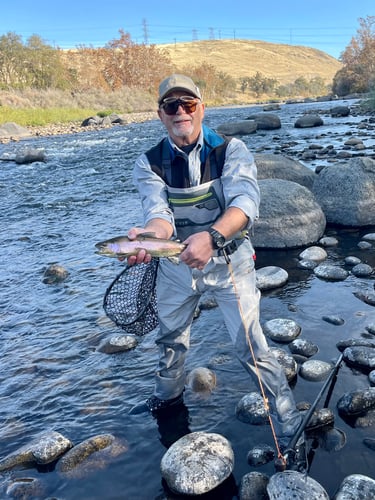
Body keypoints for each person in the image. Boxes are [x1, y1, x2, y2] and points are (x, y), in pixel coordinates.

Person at [127, 74, 305, 469]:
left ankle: (289, 423)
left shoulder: (231, 150)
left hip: (229, 262)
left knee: (252, 347)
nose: (180, 112)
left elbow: (246, 204)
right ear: (160, 114)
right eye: (171, 105)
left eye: (187, 104)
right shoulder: (149, 162)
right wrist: (148, 237)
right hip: (175, 267)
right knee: (171, 340)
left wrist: (210, 236)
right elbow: (158, 215)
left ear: (201, 108)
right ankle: (168, 401)